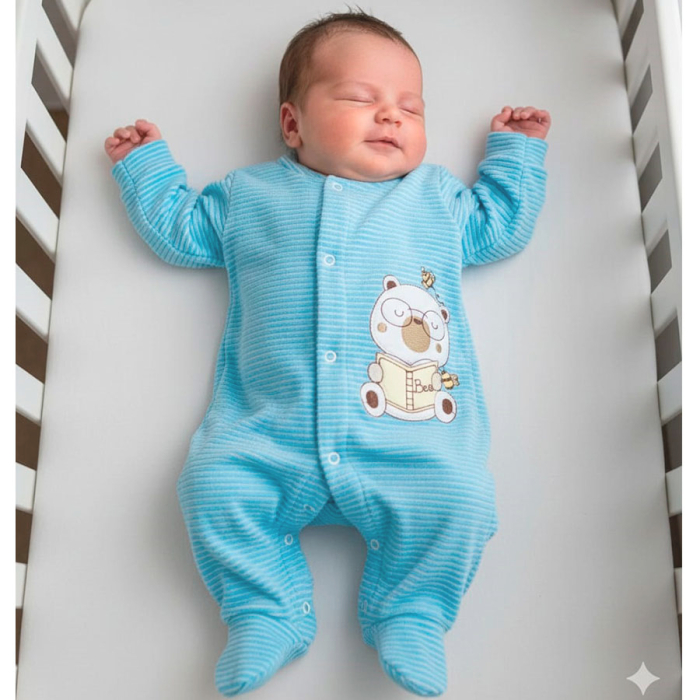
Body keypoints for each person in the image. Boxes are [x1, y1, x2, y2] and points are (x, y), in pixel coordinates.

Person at [105, 9, 550, 698]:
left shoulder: (435, 199)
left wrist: (515, 155)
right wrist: (146, 166)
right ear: (293, 124)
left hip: (410, 441)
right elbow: (184, 231)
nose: (391, 116)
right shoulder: (251, 195)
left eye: (410, 107)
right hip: (267, 436)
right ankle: (265, 609)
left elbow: (499, 228)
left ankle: (412, 611)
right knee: (211, 486)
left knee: (463, 498)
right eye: (360, 98)